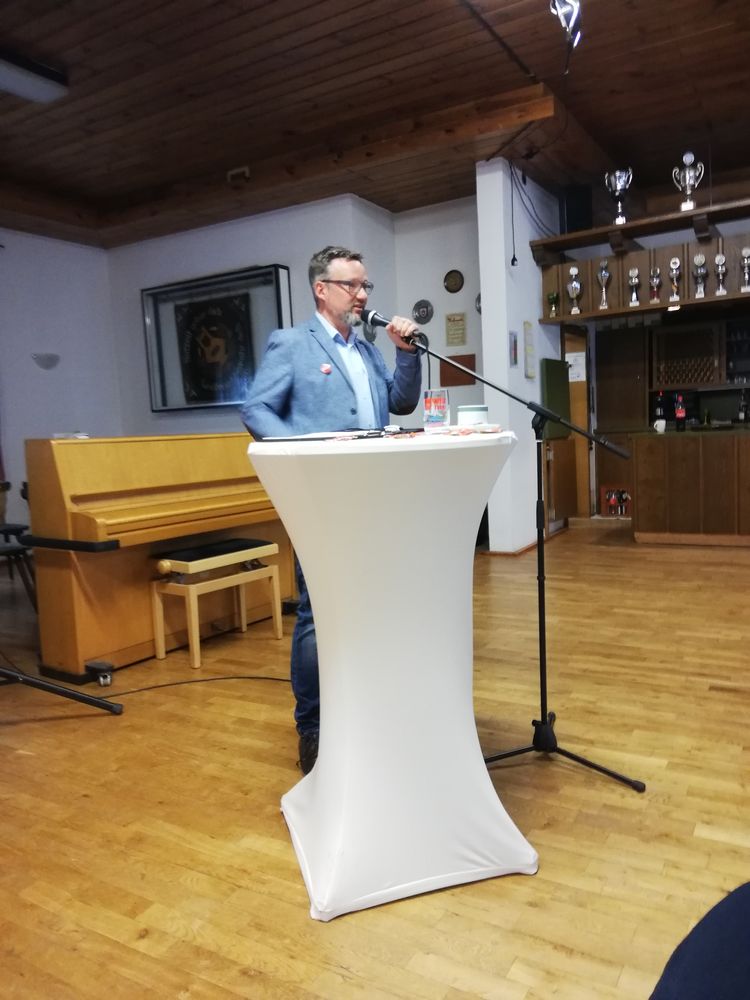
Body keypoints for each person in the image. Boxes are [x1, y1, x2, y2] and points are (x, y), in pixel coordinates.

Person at [241, 246, 423, 773]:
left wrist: (406, 353)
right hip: (321, 499)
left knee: (369, 606)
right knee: (317, 616)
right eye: (352, 285)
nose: (363, 295)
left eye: (366, 286)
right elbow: (256, 408)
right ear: (321, 289)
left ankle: (363, 707)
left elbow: (401, 402)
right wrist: (301, 458)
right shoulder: (293, 343)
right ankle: (313, 727)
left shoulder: (366, 348)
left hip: (374, 497)